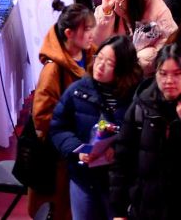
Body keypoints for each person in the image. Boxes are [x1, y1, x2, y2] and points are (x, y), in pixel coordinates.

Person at [109, 44, 181, 219]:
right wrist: (119, 211)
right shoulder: (141, 106)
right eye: (163, 73)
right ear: (155, 73)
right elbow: (122, 162)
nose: (169, 81)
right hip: (145, 207)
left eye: (178, 74)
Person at [49, 36, 141, 220]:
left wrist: (117, 150)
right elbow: (58, 127)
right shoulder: (78, 90)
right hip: (83, 179)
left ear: (123, 68)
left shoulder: (137, 96)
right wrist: (78, 149)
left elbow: (144, 138)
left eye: (109, 63)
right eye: (99, 58)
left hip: (120, 183)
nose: (100, 65)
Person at [28, 0, 96, 219]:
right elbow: (41, 116)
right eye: (86, 29)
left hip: (87, 150)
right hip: (61, 157)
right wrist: (71, 135)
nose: (91, 34)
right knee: (62, 210)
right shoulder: (53, 70)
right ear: (69, 33)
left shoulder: (92, 55)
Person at [93, 0, 177, 73]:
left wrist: (144, 59)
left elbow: (171, 39)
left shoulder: (154, 4)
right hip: (115, 69)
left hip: (146, 70)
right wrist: (106, 11)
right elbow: (96, 43)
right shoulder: (107, 6)